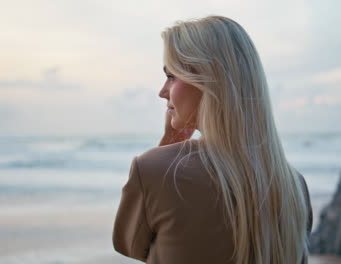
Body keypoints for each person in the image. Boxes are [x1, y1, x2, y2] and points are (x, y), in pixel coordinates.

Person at [112, 15, 313, 264]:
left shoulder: (154, 170)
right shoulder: (294, 186)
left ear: (208, 82)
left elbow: (130, 246)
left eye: (172, 76)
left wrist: (169, 143)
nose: (162, 92)